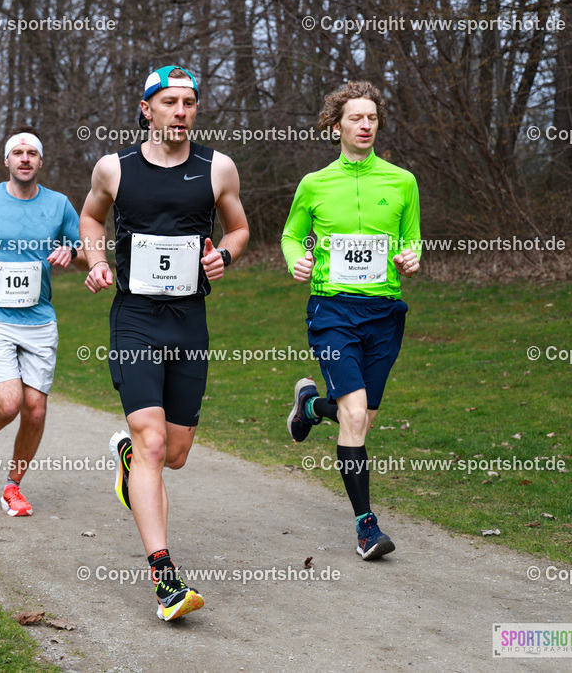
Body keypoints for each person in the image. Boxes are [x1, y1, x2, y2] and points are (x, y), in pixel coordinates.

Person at [80, 66, 250, 621]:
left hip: (189, 320)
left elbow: (239, 228)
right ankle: (165, 578)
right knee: (153, 441)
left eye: (189, 102)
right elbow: (91, 217)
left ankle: (129, 458)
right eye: (170, 101)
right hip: (135, 317)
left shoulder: (217, 167)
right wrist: (97, 260)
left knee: (173, 455)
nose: (180, 111)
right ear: (147, 108)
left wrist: (223, 256)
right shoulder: (115, 167)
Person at [281, 80, 421, 561]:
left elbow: (412, 238)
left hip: (384, 314)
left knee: (359, 418)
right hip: (333, 310)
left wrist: (411, 258)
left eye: (372, 118)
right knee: (355, 415)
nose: (365, 125)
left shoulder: (402, 181)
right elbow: (291, 236)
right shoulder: (315, 184)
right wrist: (297, 260)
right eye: (355, 118)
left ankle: (310, 406)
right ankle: (366, 527)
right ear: (336, 125)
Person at [0, 127, 85, 517]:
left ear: (41, 162)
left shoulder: (59, 204)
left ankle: (13, 487)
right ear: (7, 161)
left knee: (36, 410)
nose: (25, 159)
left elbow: (85, 251)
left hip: (39, 318)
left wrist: (70, 252)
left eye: (32, 153)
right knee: (10, 404)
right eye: (18, 153)